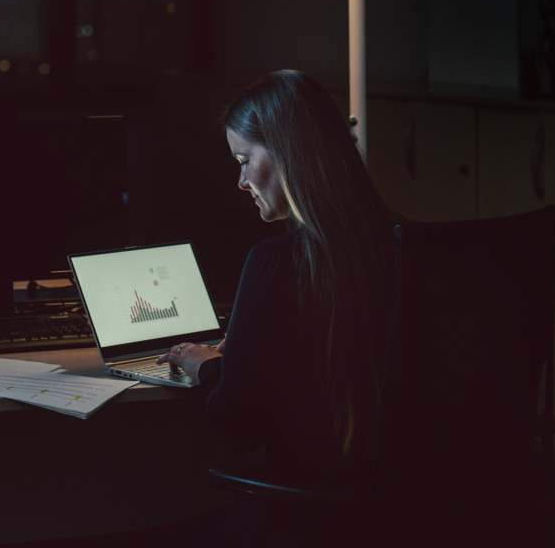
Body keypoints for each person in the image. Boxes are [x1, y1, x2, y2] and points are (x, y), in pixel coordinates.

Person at [153, 69, 406, 543]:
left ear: (289, 152)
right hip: (406, 512)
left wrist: (207, 367)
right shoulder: (407, 247)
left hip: (308, 520)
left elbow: (238, 429)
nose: (242, 180)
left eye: (245, 159)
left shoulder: (276, 263)